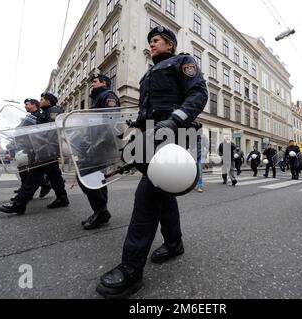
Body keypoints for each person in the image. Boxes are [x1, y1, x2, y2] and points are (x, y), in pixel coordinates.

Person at [96, 26, 208, 299]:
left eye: (156, 40)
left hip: (173, 135)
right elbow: (149, 111)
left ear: (170, 44)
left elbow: (198, 94)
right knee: (163, 193)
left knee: (147, 195)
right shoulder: (148, 74)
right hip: (151, 138)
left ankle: (131, 270)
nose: (152, 44)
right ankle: (174, 243)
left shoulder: (183, 61)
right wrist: (133, 124)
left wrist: (176, 119)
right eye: (150, 41)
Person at [0, 93, 70, 215]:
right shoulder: (46, 112)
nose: (40, 101)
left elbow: (52, 130)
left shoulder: (53, 110)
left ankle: (19, 204)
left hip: (46, 150)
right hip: (45, 149)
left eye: (42, 99)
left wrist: (42, 147)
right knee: (54, 175)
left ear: (48, 101)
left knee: (34, 176)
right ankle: (62, 198)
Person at [79, 74, 121, 230]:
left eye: (95, 82)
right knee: (96, 178)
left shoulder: (108, 96)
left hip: (101, 145)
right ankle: (100, 211)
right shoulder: (96, 99)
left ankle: (101, 211)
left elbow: (110, 123)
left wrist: (96, 144)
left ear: (104, 83)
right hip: (95, 144)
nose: (92, 84)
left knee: (86, 176)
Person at [13, 98, 52, 199]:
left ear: (34, 105)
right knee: (24, 167)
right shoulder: (28, 117)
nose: (25, 106)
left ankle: (29, 191)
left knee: (33, 170)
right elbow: (20, 128)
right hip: (26, 145)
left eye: (27, 104)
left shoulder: (39, 116)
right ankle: (25, 188)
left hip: (34, 147)